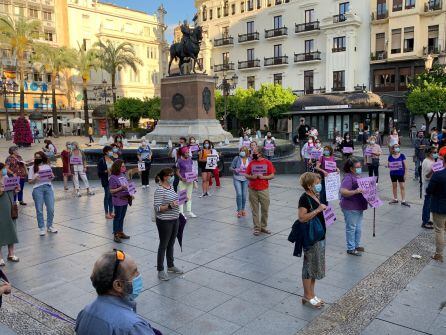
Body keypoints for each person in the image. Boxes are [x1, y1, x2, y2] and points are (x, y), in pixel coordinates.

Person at [75, 250, 158, 335]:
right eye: (134, 272)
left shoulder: (84, 312)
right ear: (118, 285)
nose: (139, 275)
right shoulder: (134, 327)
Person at [297, 172, 327, 308]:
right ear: (309, 185)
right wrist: (318, 210)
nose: (319, 185)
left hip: (319, 235)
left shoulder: (315, 195)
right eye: (316, 183)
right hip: (310, 237)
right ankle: (307, 295)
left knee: (315, 266)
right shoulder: (304, 198)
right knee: (308, 267)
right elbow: (302, 218)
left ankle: (311, 294)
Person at [153, 168, 183, 281]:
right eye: (171, 175)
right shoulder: (160, 190)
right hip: (165, 221)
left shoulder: (171, 187)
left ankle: (170, 266)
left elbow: (175, 201)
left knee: (171, 244)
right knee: (163, 245)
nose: (173, 177)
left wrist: (182, 199)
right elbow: (157, 208)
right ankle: (160, 270)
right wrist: (171, 205)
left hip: (175, 219)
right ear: (165, 177)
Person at [340, 158, 368, 256]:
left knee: (358, 228)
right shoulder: (348, 177)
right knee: (351, 228)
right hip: (350, 207)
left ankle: (356, 245)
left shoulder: (358, 176)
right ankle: (351, 248)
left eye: (360, 166)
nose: (360, 168)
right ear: (351, 168)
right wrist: (355, 191)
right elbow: (343, 191)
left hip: (359, 206)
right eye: (357, 167)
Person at [245, 147, 275, 236]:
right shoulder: (251, 163)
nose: (252, 154)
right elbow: (246, 174)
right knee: (255, 210)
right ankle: (257, 228)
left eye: (254, 152)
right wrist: (252, 177)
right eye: (252, 152)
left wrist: (263, 177)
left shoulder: (267, 162)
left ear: (260, 153)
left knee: (265, 209)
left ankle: (263, 227)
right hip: (252, 189)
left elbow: (272, 175)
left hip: (264, 189)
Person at [28, 151, 57, 236]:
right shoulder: (32, 168)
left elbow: (51, 177)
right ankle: (41, 228)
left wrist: (52, 177)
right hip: (37, 189)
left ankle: (50, 226)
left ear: (43, 157)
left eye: (39, 157)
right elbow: (29, 181)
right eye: (36, 157)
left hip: (48, 187)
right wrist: (35, 179)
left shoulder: (47, 166)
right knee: (39, 209)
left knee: (51, 208)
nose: (37, 159)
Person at [426, 151, 446, 262]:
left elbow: (429, 190)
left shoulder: (438, 174)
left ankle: (439, 254)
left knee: (439, 230)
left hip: (440, 206)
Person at [0, 163, 20, 266]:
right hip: (1, 208)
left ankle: (11, 254)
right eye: (3, 169)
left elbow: (12, 192)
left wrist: (16, 190)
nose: (5, 170)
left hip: (10, 207)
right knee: (1, 229)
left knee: (11, 228)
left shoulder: (7, 178)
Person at [108, 160, 132, 243]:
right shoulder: (112, 177)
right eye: (122, 166)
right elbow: (111, 191)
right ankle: (116, 234)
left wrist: (131, 191)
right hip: (118, 200)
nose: (124, 168)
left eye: (124, 166)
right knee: (117, 217)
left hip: (125, 199)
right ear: (118, 167)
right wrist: (121, 188)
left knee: (122, 217)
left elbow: (127, 185)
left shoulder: (123, 175)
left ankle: (120, 232)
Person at [230, 146, 251, 218]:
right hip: (237, 178)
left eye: (244, 150)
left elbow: (252, 168)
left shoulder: (249, 159)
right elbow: (231, 167)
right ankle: (239, 210)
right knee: (239, 194)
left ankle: (243, 209)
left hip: (246, 178)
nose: (242, 152)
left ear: (247, 152)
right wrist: (235, 170)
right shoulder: (237, 158)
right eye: (241, 150)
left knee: (244, 195)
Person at [176, 147, 196, 218]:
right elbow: (177, 172)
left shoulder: (190, 160)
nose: (188, 154)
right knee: (182, 197)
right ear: (183, 153)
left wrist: (194, 180)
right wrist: (181, 178)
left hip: (190, 181)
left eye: (188, 152)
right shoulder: (179, 161)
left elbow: (192, 170)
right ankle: (181, 213)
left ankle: (189, 211)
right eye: (186, 152)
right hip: (183, 181)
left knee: (189, 197)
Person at [421, 147, 437, 229]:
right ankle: (425, 221)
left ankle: (427, 219)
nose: (436, 154)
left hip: (432, 185)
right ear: (429, 153)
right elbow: (427, 176)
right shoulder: (426, 162)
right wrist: (433, 171)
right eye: (434, 152)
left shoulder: (433, 160)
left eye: (436, 152)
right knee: (427, 203)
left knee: (429, 203)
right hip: (428, 185)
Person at [97, 146, 115, 220]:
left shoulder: (111, 159)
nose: (111, 152)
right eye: (110, 151)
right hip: (105, 180)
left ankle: (111, 212)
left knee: (111, 196)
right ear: (106, 152)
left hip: (112, 180)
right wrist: (105, 171)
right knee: (107, 195)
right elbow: (99, 171)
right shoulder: (102, 160)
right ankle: (106, 213)